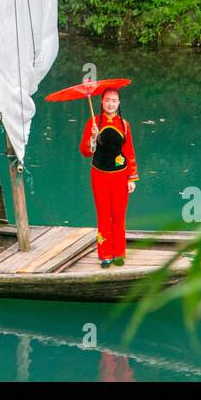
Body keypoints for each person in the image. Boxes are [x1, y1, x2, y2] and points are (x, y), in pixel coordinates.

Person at [78, 87, 137, 268]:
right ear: (101, 102)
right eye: (107, 100)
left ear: (118, 103)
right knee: (103, 215)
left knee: (118, 215)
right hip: (99, 175)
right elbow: (85, 152)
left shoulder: (124, 125)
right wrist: (93, 138)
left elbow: (129, 152)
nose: (110, 103)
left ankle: (119, 253)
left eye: (114, 100)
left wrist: (131, 178)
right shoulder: (93, 123)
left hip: (120, 176)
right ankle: (105, 254)